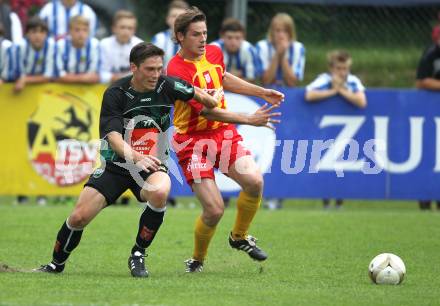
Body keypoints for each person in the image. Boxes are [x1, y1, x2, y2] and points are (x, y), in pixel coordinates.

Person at [34, 42, 280, 277]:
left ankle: (138, 254)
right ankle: (56, 265)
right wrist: (136, 156)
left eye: (159, 68)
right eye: (150, 69)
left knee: (161, 190)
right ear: (134, 68)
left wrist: (209, 98)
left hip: (152, 165)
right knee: (79, 217)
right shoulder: (116, 93)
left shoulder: (167, 85)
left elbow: (195, 92)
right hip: (118, 166)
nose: (156, 74)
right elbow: (114, 138)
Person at [167, 7, 284, 273]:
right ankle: (197, 259)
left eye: (205, 33)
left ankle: (239, 237)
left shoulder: (214, 52)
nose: (203, 39)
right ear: (180, 36)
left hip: (221, 135)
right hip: (191, 141)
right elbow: (207, 109)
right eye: (196, 34)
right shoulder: (176, 70)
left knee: (254, 182)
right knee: (214, 210)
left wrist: (260, 91)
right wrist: (249, 119)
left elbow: (222, 77)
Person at [305, 50, 367, 209]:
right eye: (339, 68)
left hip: (347, 131)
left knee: (343, 164)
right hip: (325, 131)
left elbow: (361, 101)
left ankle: (339, 202)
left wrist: (341, 91)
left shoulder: (353, 81)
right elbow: (309, 95)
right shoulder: (324, 80)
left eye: (345, 68)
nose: (343, 72)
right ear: (331, 68)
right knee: (324, 164)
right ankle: (326, 201)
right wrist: (333, 91)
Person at [415, 24, 440, 210]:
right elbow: (421, 81)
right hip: (430, 112)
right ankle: (425, 199)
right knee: (430, 154)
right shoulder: (430, 54)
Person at [256, 13, 305, 87]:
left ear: (291, 33)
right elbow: (265, 82)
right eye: (278, 31)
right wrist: (277, 54)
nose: (281, 35)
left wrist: (282, 56)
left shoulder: (298, 48)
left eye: (285, 31)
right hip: (268, 92)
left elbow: (292, 83)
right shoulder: (262, 46)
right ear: (272, 32)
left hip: (289, 92)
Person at [99, 10, 142, 84]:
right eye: (122, 27)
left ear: (134, 30)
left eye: (130, 28)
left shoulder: (140, 46)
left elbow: (142, 73)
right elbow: (101, 74)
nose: (126, 31)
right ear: (113, 28)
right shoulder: (104, 44)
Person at [210, 17, 260, 82]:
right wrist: (235, 76)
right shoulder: (213, 49)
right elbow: (209, 79)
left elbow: (252, 79)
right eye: (229, 37)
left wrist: (226, 76)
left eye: (237, 38)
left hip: (242, 91)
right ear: (222, 36)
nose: (233, 42)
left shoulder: (248, 49)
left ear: (243, 37)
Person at [14, 17, 56, 92]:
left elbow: (48, 76)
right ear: (27, 33)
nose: (38, 35)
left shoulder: (51, 46)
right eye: (34, 32)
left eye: (42, 32)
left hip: (44, 91)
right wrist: (23, 79)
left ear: (46, 34)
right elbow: (18, 76)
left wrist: (26, 79)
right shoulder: (20, 47)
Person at [54, 15, 100, 84]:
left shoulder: (95, 45)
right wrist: (84, 78)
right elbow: (57, 76)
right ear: (69, 31)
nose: (81, 34)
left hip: (88, 90)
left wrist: (68, 77)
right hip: (62, 89)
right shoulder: (60, 45)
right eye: (77, 30)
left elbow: (94, 77)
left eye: (85, 30)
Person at [151, 0, 188, 69]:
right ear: (167, 19)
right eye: (174, 16)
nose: (177, 19)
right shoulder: (159, 39)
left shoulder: (193, 40)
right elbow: (152, 65)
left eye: (181, 16)